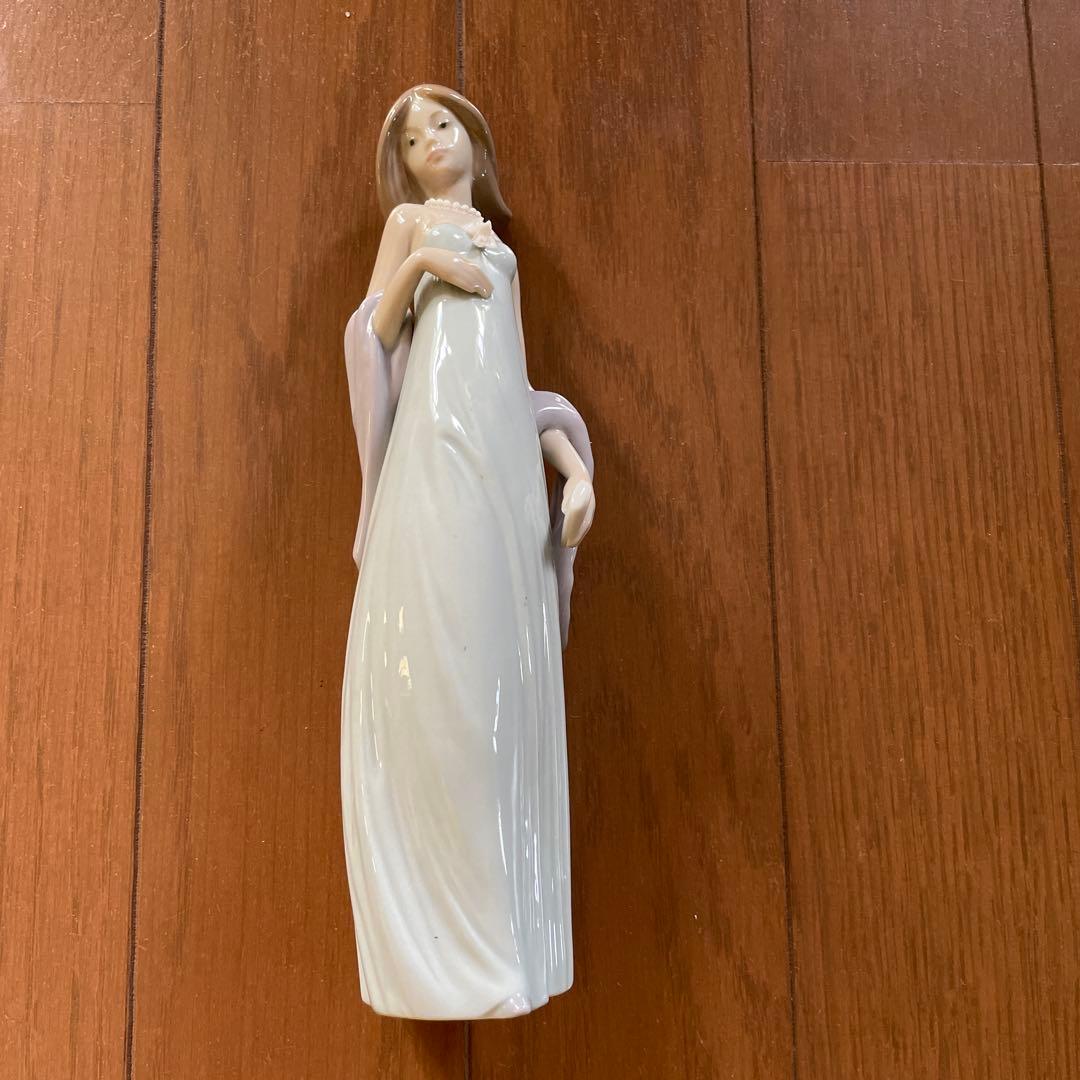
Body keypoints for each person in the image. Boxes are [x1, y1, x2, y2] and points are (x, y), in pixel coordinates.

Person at [339, 83, 596, 1020]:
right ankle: (431, 940)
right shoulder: (410, 224)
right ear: (401, 166)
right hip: (433, 452)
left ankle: (503, 934)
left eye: (442, 127)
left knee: (495, 675)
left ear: (475, 144)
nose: (430, 145)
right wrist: (422, 266)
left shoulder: (501, 245)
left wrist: (575, 471)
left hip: (497, 457)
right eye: (412, 140)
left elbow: (518, 388)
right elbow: (373, 334)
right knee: (434, 663)